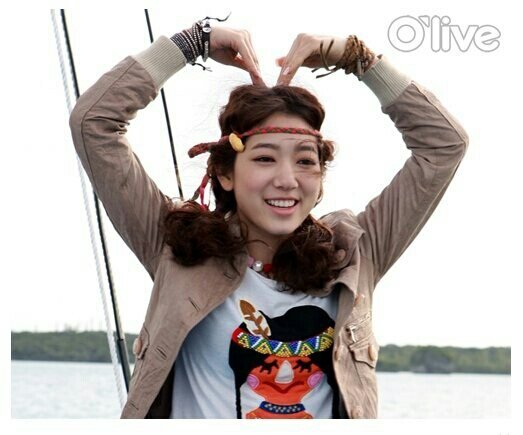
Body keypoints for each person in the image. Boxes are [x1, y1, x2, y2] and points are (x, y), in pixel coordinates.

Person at [69, 18, 468, 419]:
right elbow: (95, 123)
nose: (287, 180)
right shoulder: (176, 245)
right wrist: (191, 43)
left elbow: (444, 144)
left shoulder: (354, 253)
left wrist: (356, 58)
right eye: (264, 158)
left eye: (305, 161)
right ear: (225, 173)